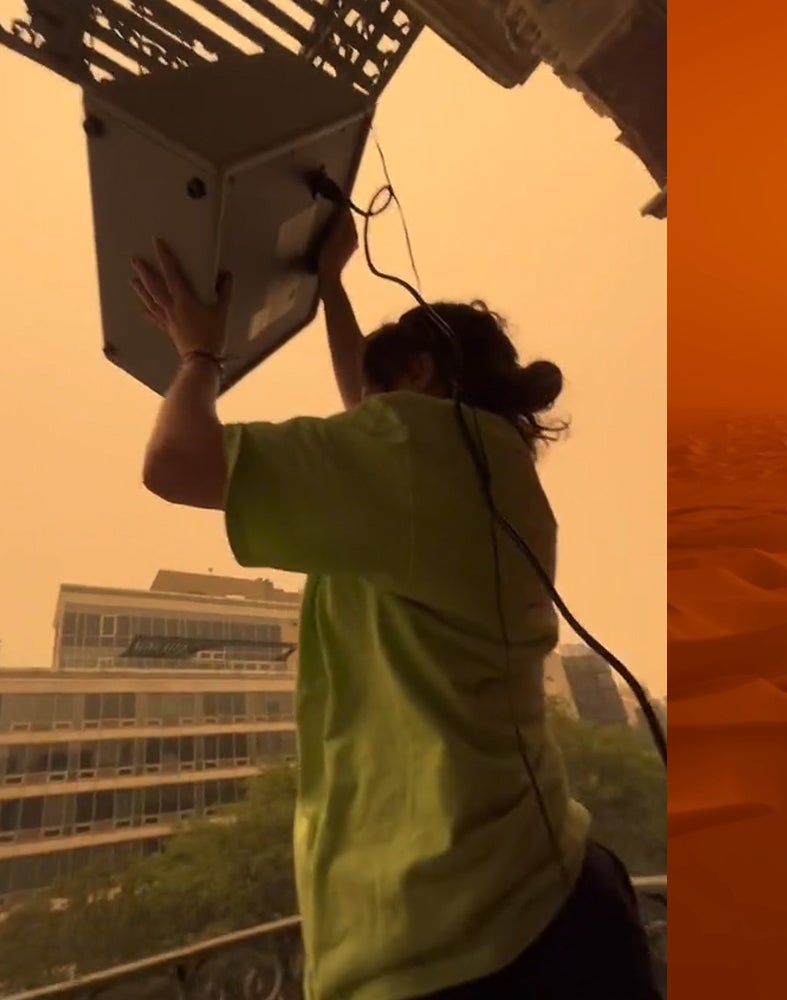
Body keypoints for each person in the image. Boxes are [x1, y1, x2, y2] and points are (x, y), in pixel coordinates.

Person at [127, 218, 661, 1000]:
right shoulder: (491, 471)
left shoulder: (413, 451)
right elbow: (369, 411)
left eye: (383, 397)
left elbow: (176, 463)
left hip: (454, 947)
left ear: (418, 374)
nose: (366, 417)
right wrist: (333, 287)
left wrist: (198, 352)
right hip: (561, 891)